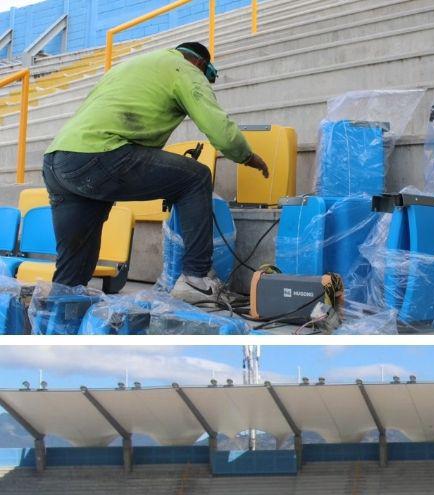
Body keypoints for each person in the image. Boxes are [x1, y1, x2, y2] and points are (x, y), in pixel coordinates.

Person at [42, 42, 269, 303]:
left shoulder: (132, 66)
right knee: (196, 177)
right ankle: (196, 278)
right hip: (102, 154)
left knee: (73, 269)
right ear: (200, 64)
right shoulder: (184, 69)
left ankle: (58, 322)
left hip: (58, 161)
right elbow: (219, 129)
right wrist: (247, 156)